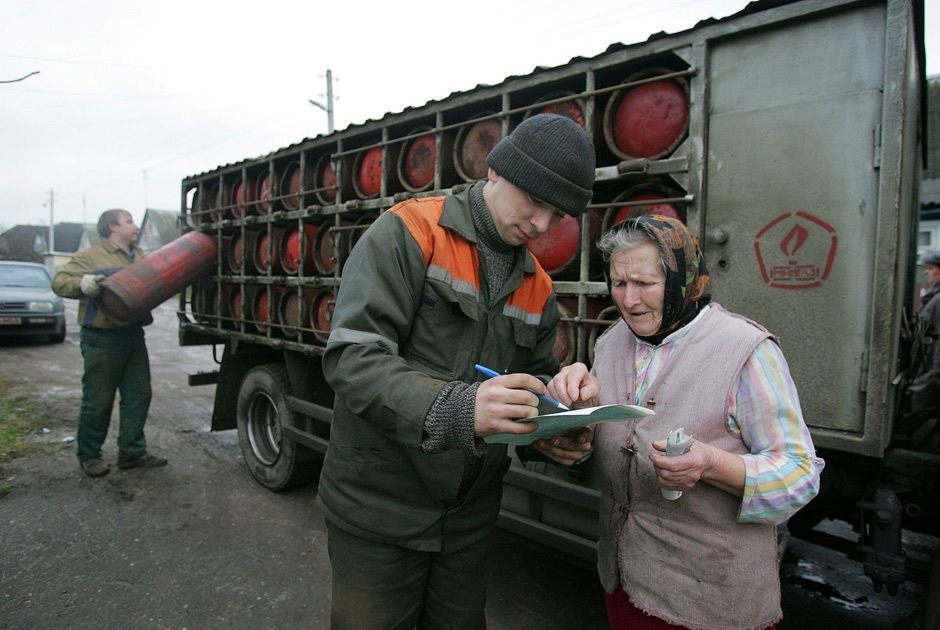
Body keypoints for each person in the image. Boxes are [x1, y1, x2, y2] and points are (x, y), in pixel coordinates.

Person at [317, 114, 596, 629]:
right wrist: (460, 408)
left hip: (466, 522)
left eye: (557, 216)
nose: (540, 224)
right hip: (380, 512)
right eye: (535, 200)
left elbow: (530, 395)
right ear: (494, 170)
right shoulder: (410, 231)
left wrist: (557, 432)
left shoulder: (537, 286)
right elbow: (352, 357)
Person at [546, 215, 824, 630]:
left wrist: (711, 463)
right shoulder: (611, 341)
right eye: (619, 284)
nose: (629, 300)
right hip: (625, 582)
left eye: (644, 284)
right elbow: (613, 447)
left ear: (682, 277)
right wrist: (574, 430)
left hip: (711, 598)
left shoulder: (745, 350)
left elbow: (801, 475)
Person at [52, 209, 166, 478]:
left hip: (133, 336)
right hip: (101, 337)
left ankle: (132, 452)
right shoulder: (90, 256)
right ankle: (90, 455)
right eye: (129, 222)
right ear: (113, 227)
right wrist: (83, 283)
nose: (135, 226)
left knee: (138, 395)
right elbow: (59, 282)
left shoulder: (138, 257)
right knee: (98, 399)